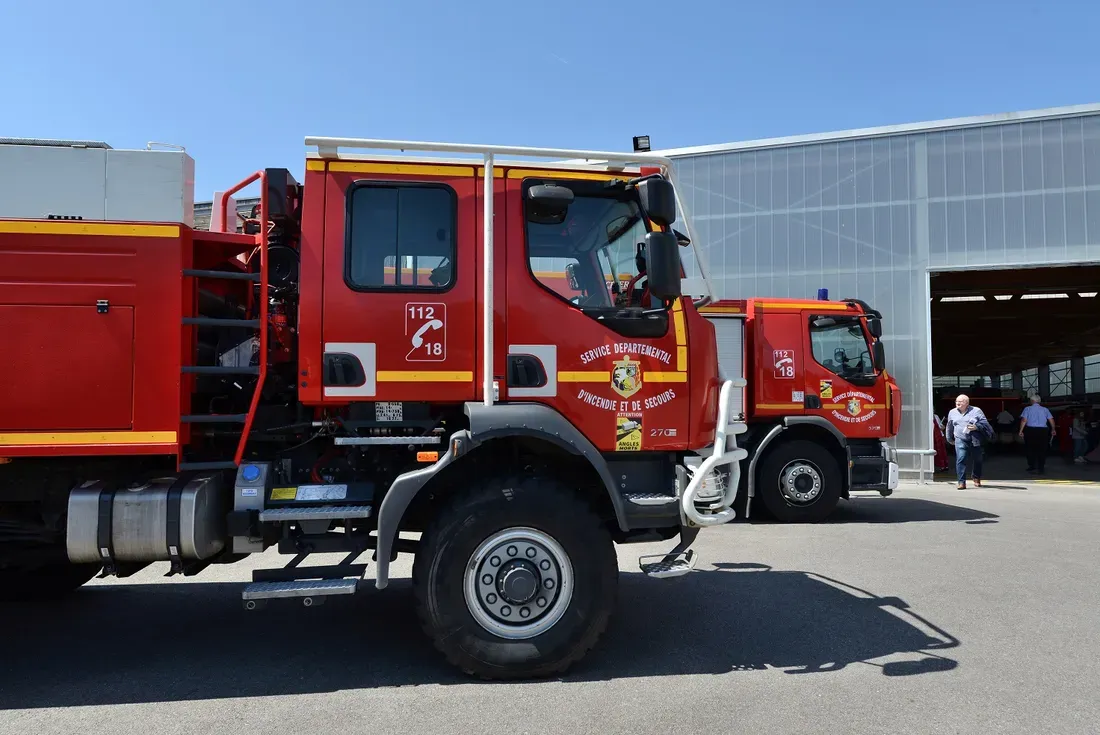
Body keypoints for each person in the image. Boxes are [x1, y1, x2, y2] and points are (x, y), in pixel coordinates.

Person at [945, 394, 993, 489]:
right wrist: (949, 438)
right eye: (956, 401)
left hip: (975, 440)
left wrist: (976, 427)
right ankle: (961, 482)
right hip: (960, 439)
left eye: (960, 401)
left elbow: (985, 424)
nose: (957, 403)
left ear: (967, 403)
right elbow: (949, 426)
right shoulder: (952, 412)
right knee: (961, 459)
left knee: (978, 459)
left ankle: (976, 477)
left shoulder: (976, 411)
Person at [1019, 394, 1056, 474]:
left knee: (1030, 449)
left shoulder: (1027, 409)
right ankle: (1041, 467)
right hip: (1043, 431)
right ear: (1039, 401)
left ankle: (1032, 465)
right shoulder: (1045, 409)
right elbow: (1051, 420)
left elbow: (1024, 420)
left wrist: (1021, 431)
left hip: (1030, 430)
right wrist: (1053, 429)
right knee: (1042, 449)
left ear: (1032, 401)